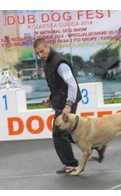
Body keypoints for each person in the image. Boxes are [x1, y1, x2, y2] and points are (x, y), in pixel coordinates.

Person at [33, 38, 82, 174]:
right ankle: (97, 145)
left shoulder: (59, 62)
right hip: (61, 100)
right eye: (37, 53)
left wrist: (68, 105)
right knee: (70, 132)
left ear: (48, 47)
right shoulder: (48, 62)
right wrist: (50, 98)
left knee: (59, 133)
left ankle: (71, 164)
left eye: (42, 51)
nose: (40, 55)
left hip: (67, 101)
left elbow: (72, 84)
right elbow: (57, 84)